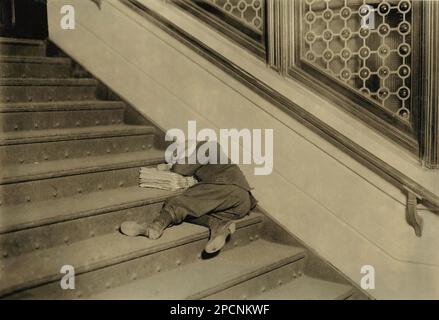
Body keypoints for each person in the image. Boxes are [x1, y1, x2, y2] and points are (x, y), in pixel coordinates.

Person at [120, 140, 257, 253]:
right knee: (194, 212)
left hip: (227, 189)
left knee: (179, 202)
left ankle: (154, 227)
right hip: (240, 205)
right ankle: (219, 226)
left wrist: (171, 165)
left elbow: (181, 168)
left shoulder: (207, 145)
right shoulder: (216, 158)